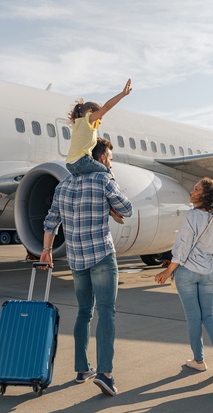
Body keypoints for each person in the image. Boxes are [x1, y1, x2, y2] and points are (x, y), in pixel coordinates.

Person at [41, 137, 132, 396]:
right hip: (102, 256)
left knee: (84, 312)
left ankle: (82, 368)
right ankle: (105, 372)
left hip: (76, 260)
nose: (110, 163)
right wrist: (111, 178)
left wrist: (47, 251)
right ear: (101, 158)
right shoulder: (104, 179)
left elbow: (51, 222)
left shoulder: (64, 184)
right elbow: (128, 207)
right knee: (106, 312)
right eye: (110, 159)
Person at [154, 177, 213, 376]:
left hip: (186, 273)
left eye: (196, 189)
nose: (192, 192)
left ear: (204, 195)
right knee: (210, 315)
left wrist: (168, 271)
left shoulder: (190, 216)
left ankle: (199, 361)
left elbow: (183, 248)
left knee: (194, 318)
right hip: (207, 273)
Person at [66, 79, 132, 177]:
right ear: (90, 111)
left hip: (70, 164)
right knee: (109, 174)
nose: (99, 122)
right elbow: (106, 107)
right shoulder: (89, 119)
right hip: (82, 161)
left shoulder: (77, 123)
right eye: (99, 118)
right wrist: (122, 94)